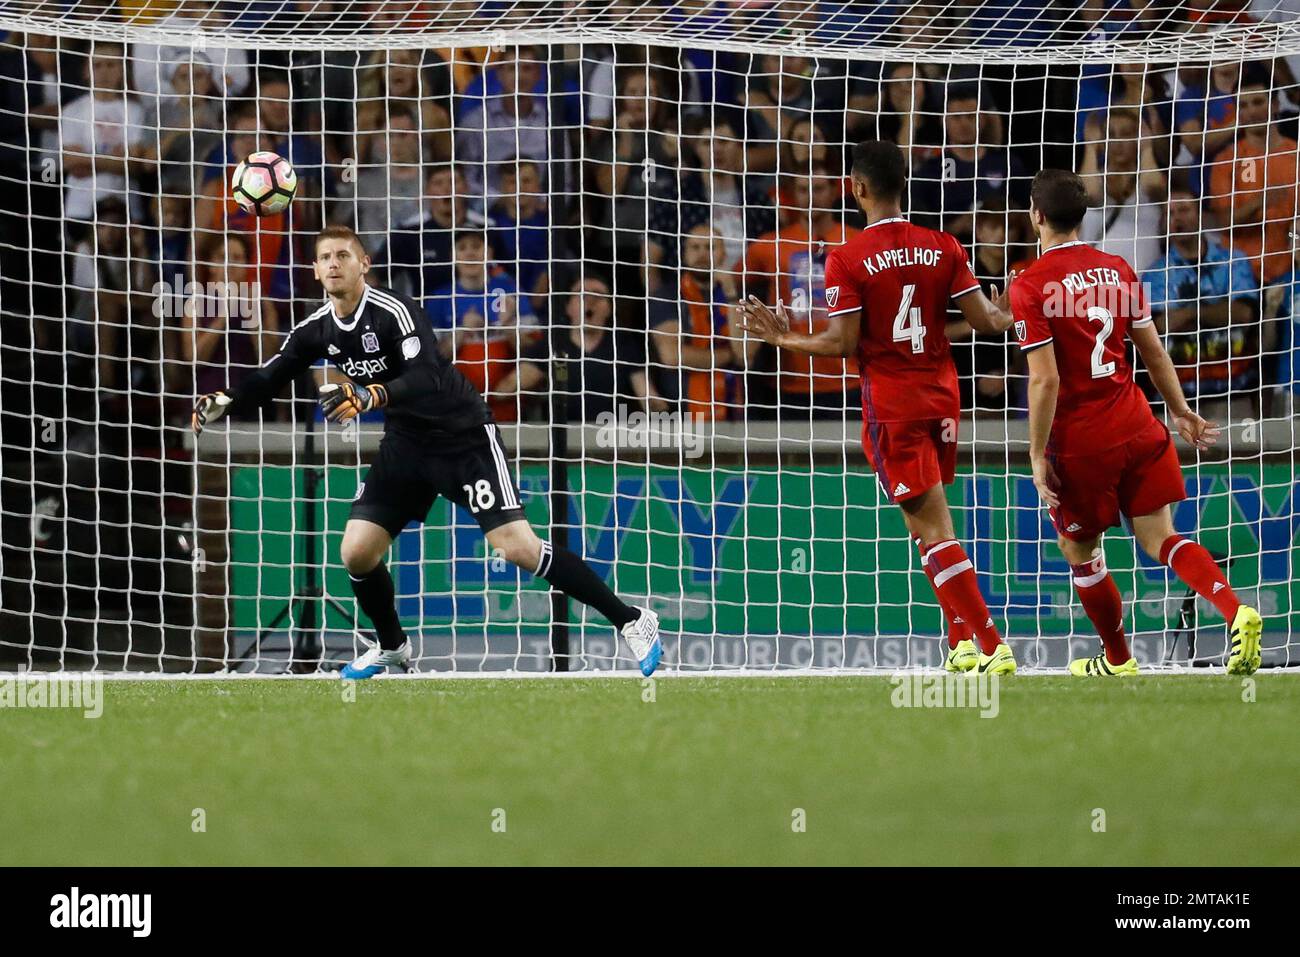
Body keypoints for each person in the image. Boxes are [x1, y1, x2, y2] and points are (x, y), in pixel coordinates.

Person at [191, 225, 663, 678]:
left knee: (517, 548)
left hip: (462, 435)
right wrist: (226, 400)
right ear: (314, 271)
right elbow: (272, 374)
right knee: (356, 552)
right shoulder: (317, 328)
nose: (334, 265)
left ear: (364, 264)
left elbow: (426, 377)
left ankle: (630, 619)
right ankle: (393, 647)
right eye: (325, 258)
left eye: (343, 256)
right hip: (406, 443)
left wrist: (370, 397)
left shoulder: (394, 309)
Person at [737, 140, 1019, 676]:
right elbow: (987, 323)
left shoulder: (847, 256)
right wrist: (1012, 308)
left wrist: (784, 339)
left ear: (857, 188)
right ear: (902, 184)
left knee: (936, 530)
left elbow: (842, 343)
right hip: (943, 398)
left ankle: (991, 645)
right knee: (927, 526)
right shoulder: (944, 245)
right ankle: (960, 642)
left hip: (893, 405)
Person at [1009, 168, 1262, 677]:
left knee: (1079, 548)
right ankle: (1238, 612)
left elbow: (1045, 382)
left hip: (1082, 442)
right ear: (1081, 216)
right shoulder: (1117, 268)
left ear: (1036, 216)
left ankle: (1119, 658)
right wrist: (1180, 409)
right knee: (1161, 538)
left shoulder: (1030, 284)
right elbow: (1152, 349)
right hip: (1139, 424)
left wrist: (1037, 455)